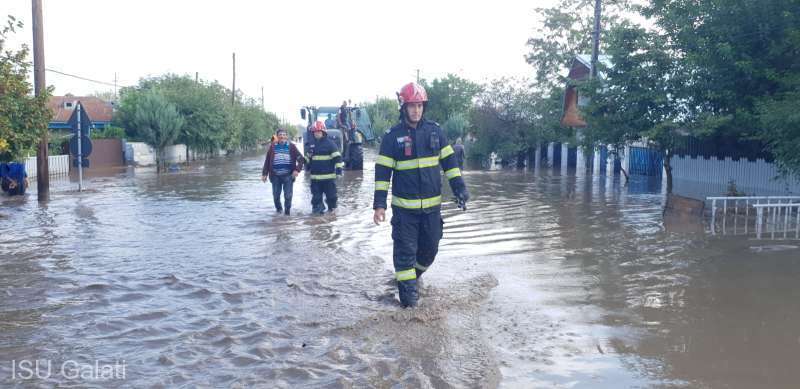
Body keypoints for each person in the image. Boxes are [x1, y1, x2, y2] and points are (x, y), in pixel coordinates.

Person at [372, 82, 469, 308]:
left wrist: (460, 189)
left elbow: (451, 165)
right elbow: (382, 174)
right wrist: (379, 205)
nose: (416, 110)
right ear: (403, 108)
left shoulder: (435, 132)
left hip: (432, 211)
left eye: (419, 105)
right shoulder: (391, 137)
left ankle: (409, 280)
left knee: (430, 251)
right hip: (405, 213)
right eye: (412, 106)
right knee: (405, 255)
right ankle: (410, 309)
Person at [261, 128, 304, 215]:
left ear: (286, 136)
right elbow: (267, 161)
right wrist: (264, 174)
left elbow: (301, 159)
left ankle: (287, 214)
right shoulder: (272, 147)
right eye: (280, 135)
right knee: (276, 196)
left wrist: (297, 170)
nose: (282, 136)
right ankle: (279, 211)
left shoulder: (292, 146)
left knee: (288, 196)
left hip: (288, 175)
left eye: (284, 135)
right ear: (277, 136)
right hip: (275, 175)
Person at [306, 121, 343, 214]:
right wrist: (304, 165)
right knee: (316, 199)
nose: (317, 133)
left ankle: (332, 214)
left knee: (331, 197)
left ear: (323, 132)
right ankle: (318, 220)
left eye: (319, 131)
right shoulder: (311, 145)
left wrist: (339, 171)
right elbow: (307, 159)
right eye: (315, 132)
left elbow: (337, 158)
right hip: (315, 179)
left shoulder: (330, 144)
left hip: (328, 179)